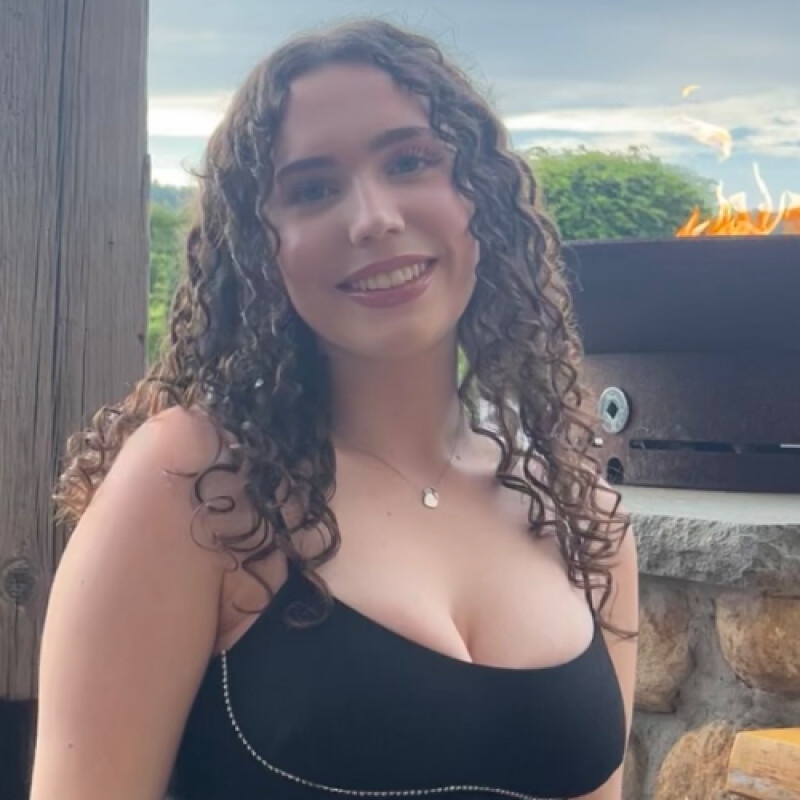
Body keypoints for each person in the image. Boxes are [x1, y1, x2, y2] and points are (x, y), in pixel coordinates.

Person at [30, 18, 638, 800]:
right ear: (261, 249)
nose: (373, 217)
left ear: (478, 197)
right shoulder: (196, 486)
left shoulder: (582, 515)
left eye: (410, 160)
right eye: (313, 189)